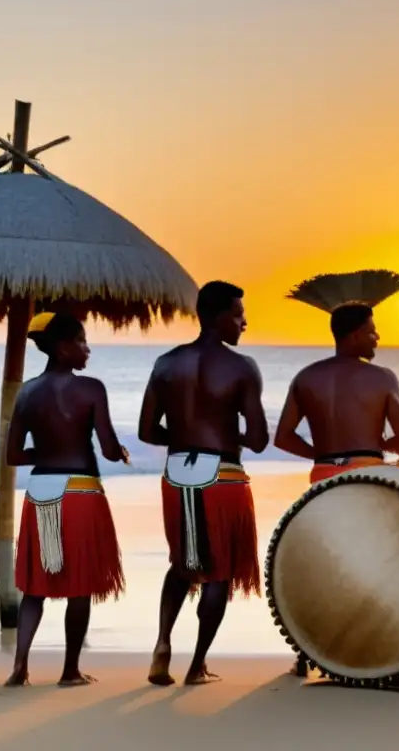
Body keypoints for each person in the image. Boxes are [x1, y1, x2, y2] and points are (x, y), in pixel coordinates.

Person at [274, 269, 399, 678]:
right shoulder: (383, 378)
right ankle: (376, 649)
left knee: (326, 562)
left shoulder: (307, 377)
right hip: (367, 475)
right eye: (372, 331)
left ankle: (305, 650)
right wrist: (384, 446)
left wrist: (322, 453)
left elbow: (283, 437)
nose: (377, 339)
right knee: (374, 563)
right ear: (353, 335)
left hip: (322, 476)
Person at [139, 280, 269, 687]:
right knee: (219, 572)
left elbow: (147, 430)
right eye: (237, 314)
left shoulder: (165, 363)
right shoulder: (241, 367)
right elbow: (261, 438)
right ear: (216, 317)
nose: (244, 323)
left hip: (177, 472)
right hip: (223, 475)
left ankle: (162, 643)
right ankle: (196, 665)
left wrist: (184, 438)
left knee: (181, 562)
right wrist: (226, 436)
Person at [4, 311, 128, 688]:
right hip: (80, 493)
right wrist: (119, 450)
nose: (87, 349)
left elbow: (14, 455)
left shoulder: (26, 391)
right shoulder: (91, 389)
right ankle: (70, 670)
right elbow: (106, 449)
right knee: (80, 585)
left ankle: (19, 666)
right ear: (62, 348)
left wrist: (50, 453)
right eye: (82, 341)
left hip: (40, 492)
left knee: (33, 587)